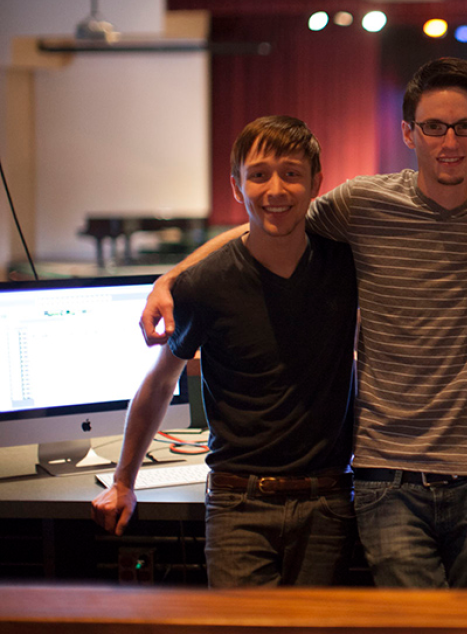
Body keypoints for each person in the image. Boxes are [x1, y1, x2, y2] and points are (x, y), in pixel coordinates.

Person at [140, 58, 467, 588]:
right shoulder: (363, 204)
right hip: (385, 473)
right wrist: (172, 277)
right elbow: (269, 223)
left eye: (463, 127)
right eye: (434, 126)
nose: (449, 141)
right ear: (408, 133)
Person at [92, 116, 358, 587]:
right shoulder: (204, 285)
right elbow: (160, 383)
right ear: (237, 186)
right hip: (238, 504)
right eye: (259, 175)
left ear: (316, 183)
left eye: (291, 174)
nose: (275, 189)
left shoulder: (346, 266)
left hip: (329, 500)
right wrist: (123, 482)